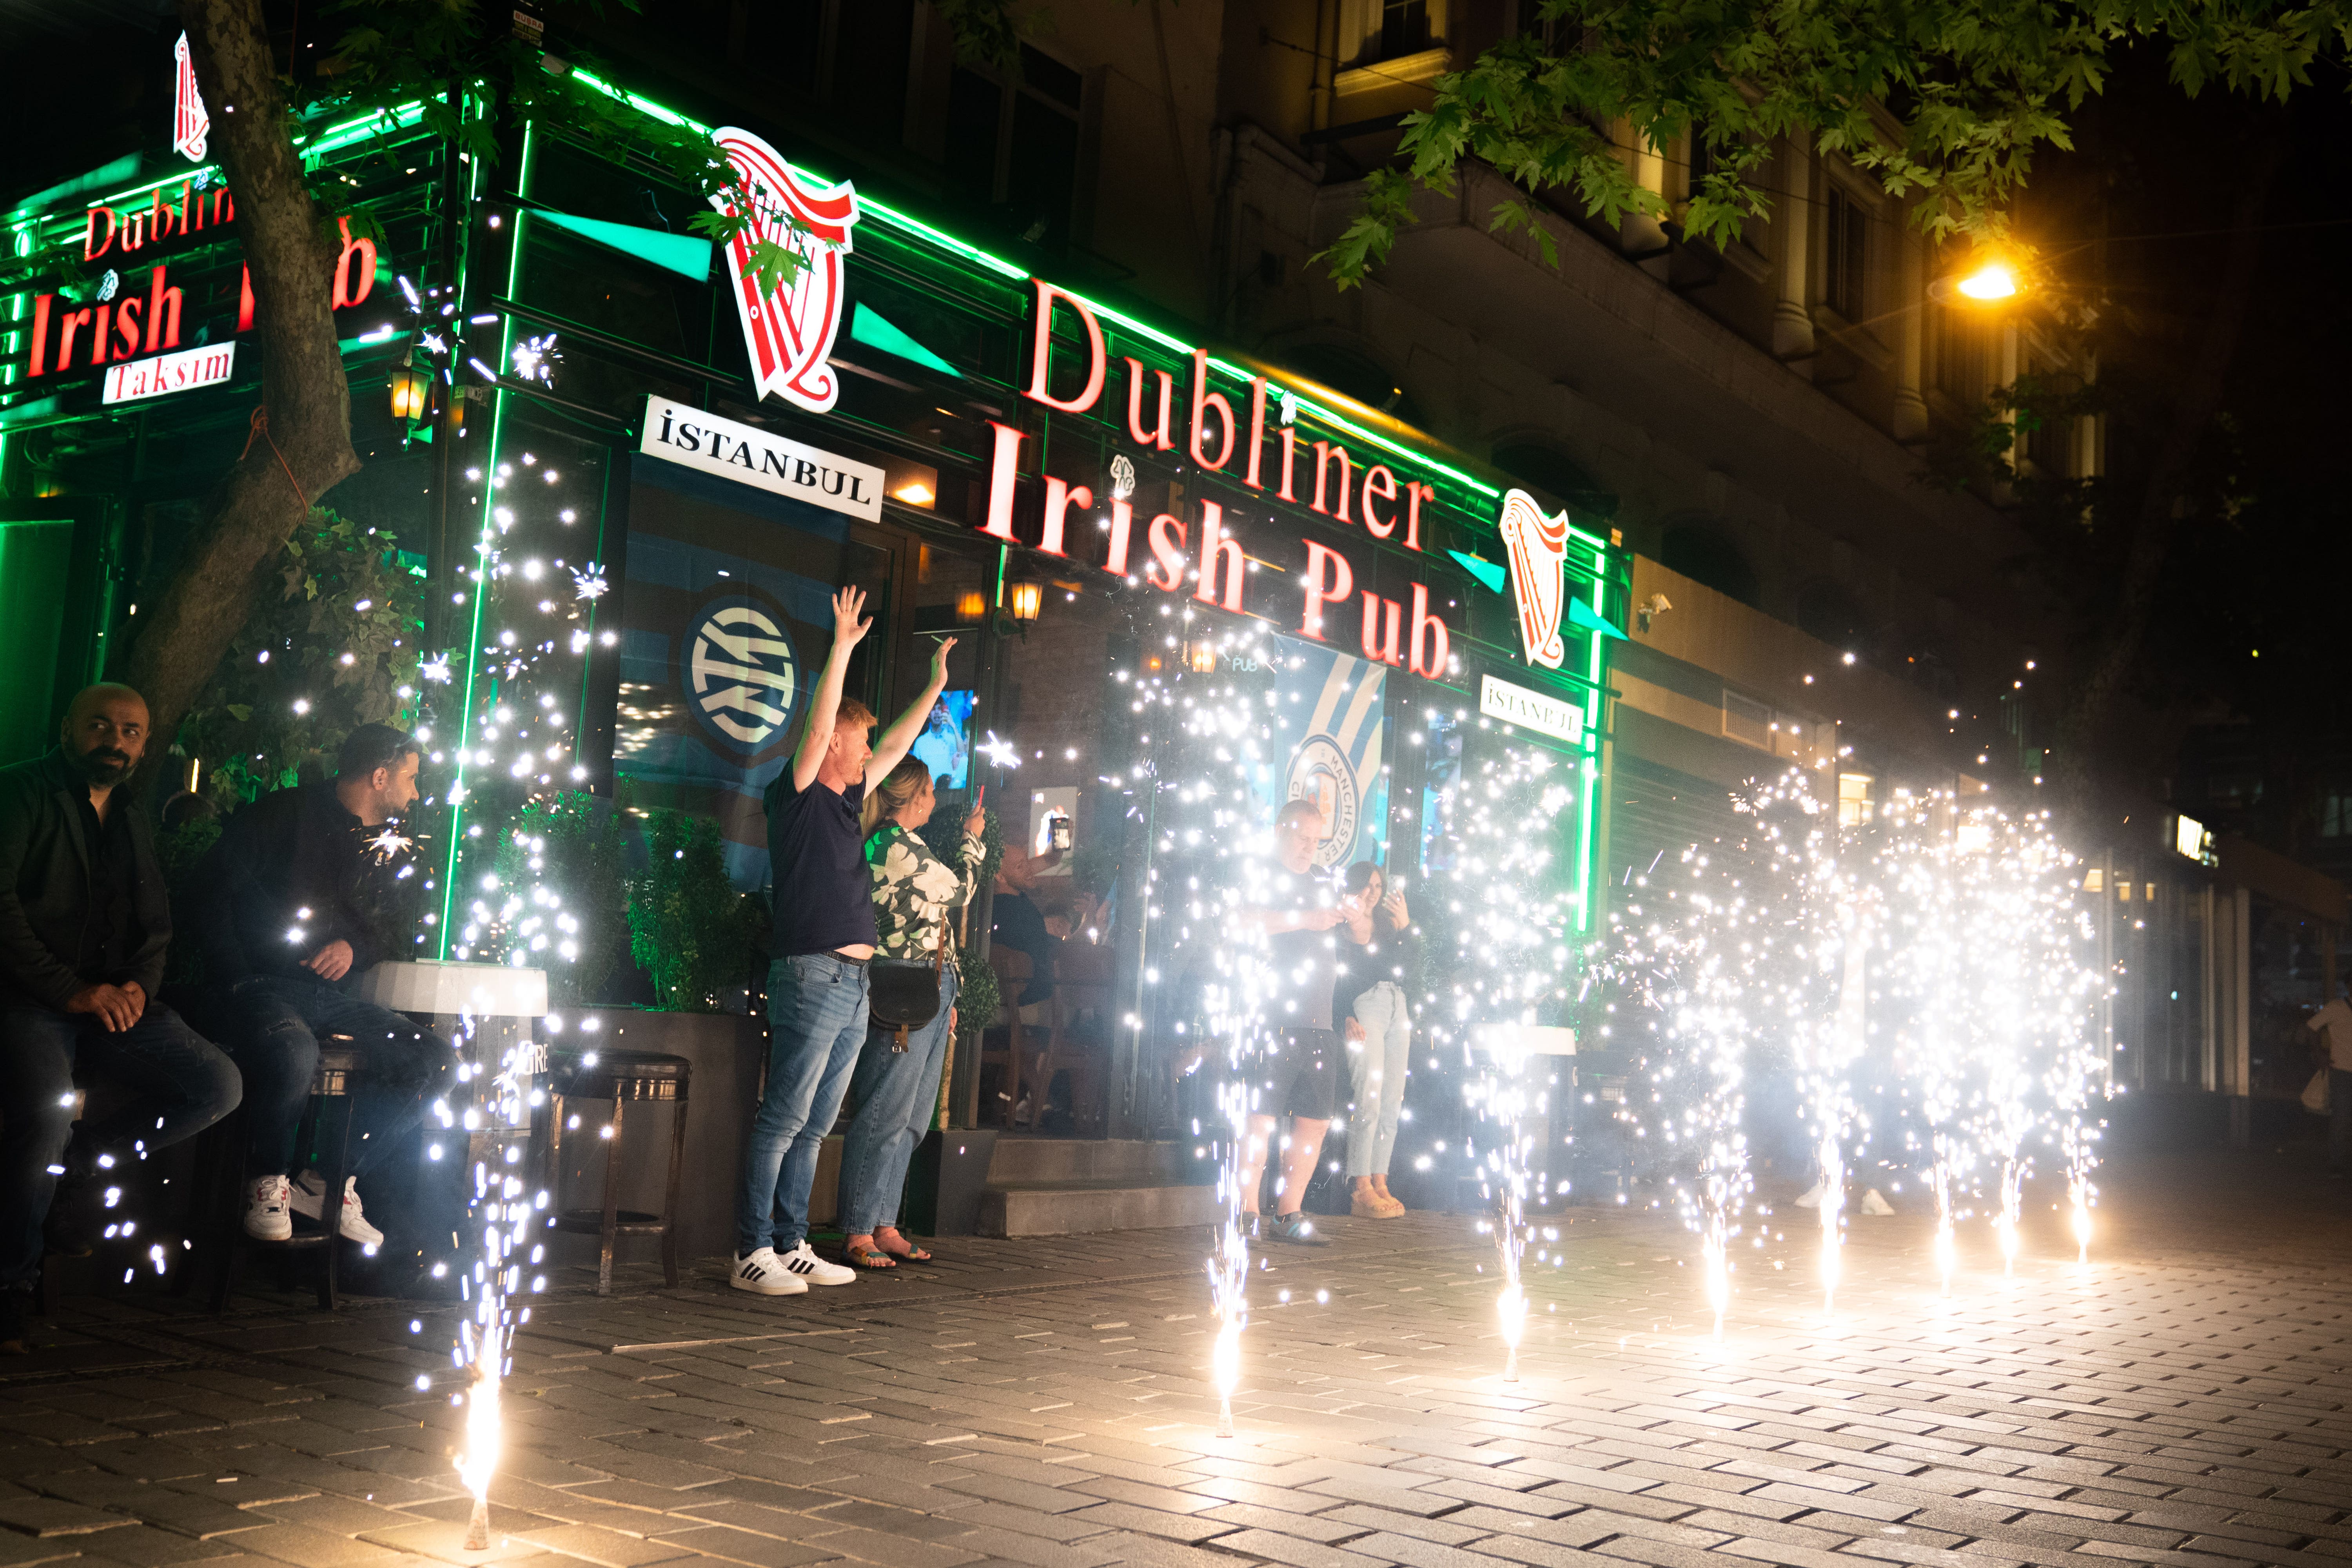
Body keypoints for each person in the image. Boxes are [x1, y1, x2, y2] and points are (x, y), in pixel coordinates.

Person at [0, 684, 240, 1354]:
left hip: (114, 1001)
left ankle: (76, 1167)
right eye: (101, 726)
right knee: (46, 1113)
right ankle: (10, 1285)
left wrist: (139, 986)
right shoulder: (18, 792)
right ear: (68, 728)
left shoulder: (132, 814)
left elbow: (154, 923)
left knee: (217, 1087)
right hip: (28, 1000)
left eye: (131, 731)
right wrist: (70, 991)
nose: (116, 740)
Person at [734, 587, 958, 1297]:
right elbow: (823, 725)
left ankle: (793, 1242)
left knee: (816, 1123)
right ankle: (750, 1249)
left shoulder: (845, 807)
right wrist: (842, 648)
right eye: (857, 741)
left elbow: (895, 743)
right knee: (787, 1117)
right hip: (811, 974)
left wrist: (934, 687)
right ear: (832, 740)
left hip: (853, 982)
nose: (869, 753)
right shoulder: (798, 796)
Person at [192, 724, 452, 1256]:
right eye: (411, 778)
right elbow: (207, 893)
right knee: (293, 1051)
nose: (416, 793)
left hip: (331, 997)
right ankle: (268, 1181)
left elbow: (396, 923)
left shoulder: (388, 845)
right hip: (258, 984)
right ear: (380, 777)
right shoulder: (280, 815)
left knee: (432, 1059)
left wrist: (355, 948)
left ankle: (330, 1179)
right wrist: (237, 977)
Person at [835, 760, 984, 1269]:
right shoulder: (893, 845)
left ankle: (884, 1223)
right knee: (887, 1106)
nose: (934, 803)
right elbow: (960, 890)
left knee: (914, 1115)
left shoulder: (902, 844)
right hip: (903, 990)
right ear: (914, 797)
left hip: (928, 988)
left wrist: (951, 997)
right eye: (929, 793)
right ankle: (859, 1229)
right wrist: (972, 840)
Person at [1234, 799, 1372, 1245]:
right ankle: (1247, 1212)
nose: (1309, 848)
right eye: (1301, 838)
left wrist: (1357, 916)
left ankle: (1289, 1211)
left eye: (1316, 841)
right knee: (1261, 1118)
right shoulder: (1261, 873)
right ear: (1280, 831)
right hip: (1273, 1018)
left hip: (1319, 1022)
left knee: (1314, 1120)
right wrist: (1305, 919)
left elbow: (1361, 937)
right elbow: (1242, 923)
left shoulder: (1321, 880)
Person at [1339, 861, 1414, 1219]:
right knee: (1368, 1097)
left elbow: (1411, 968)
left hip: (1397, 1004)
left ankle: (1381, 1179)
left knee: (1392, 1099)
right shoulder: (1338, 925)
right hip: (1365, 1004)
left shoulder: (1387, 926)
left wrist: (1406, 927)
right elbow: (1332, 977)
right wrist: (1344, 1016)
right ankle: (1361, 1185)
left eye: (1378, 887)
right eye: (1366, 886)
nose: (1372, 892)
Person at [2307, 984, 2352, 1177]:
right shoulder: (2337, 1007)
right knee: (2342, 1118)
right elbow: (2312, 1027)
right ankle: (2338, 1164)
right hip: (2342, 1070)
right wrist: (2319, 1054)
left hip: (2341, 1069)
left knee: (2342, 1118)